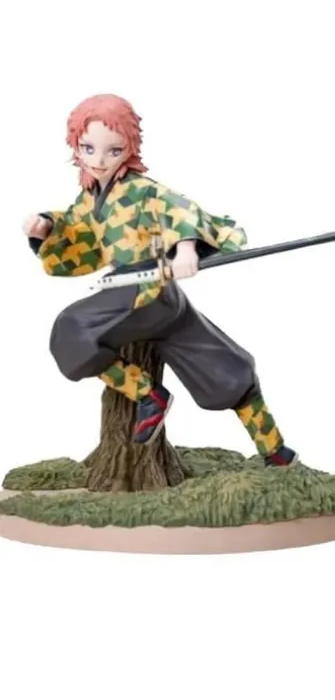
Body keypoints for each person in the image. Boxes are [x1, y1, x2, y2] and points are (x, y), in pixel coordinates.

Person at [21, 93, 297, 466]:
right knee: (221, 367)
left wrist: (185, 249)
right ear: (76, 147)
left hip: (145, 293)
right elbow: (78, 238)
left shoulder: (140, 189)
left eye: (113, 150)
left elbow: (177, 209)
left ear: (129, 148)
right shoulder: (89, 199)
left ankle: (153, 398)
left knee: (73, 329)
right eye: (88, 149)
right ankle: (273, 450)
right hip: (145, 296)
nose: (99, 161)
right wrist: (47, 228)